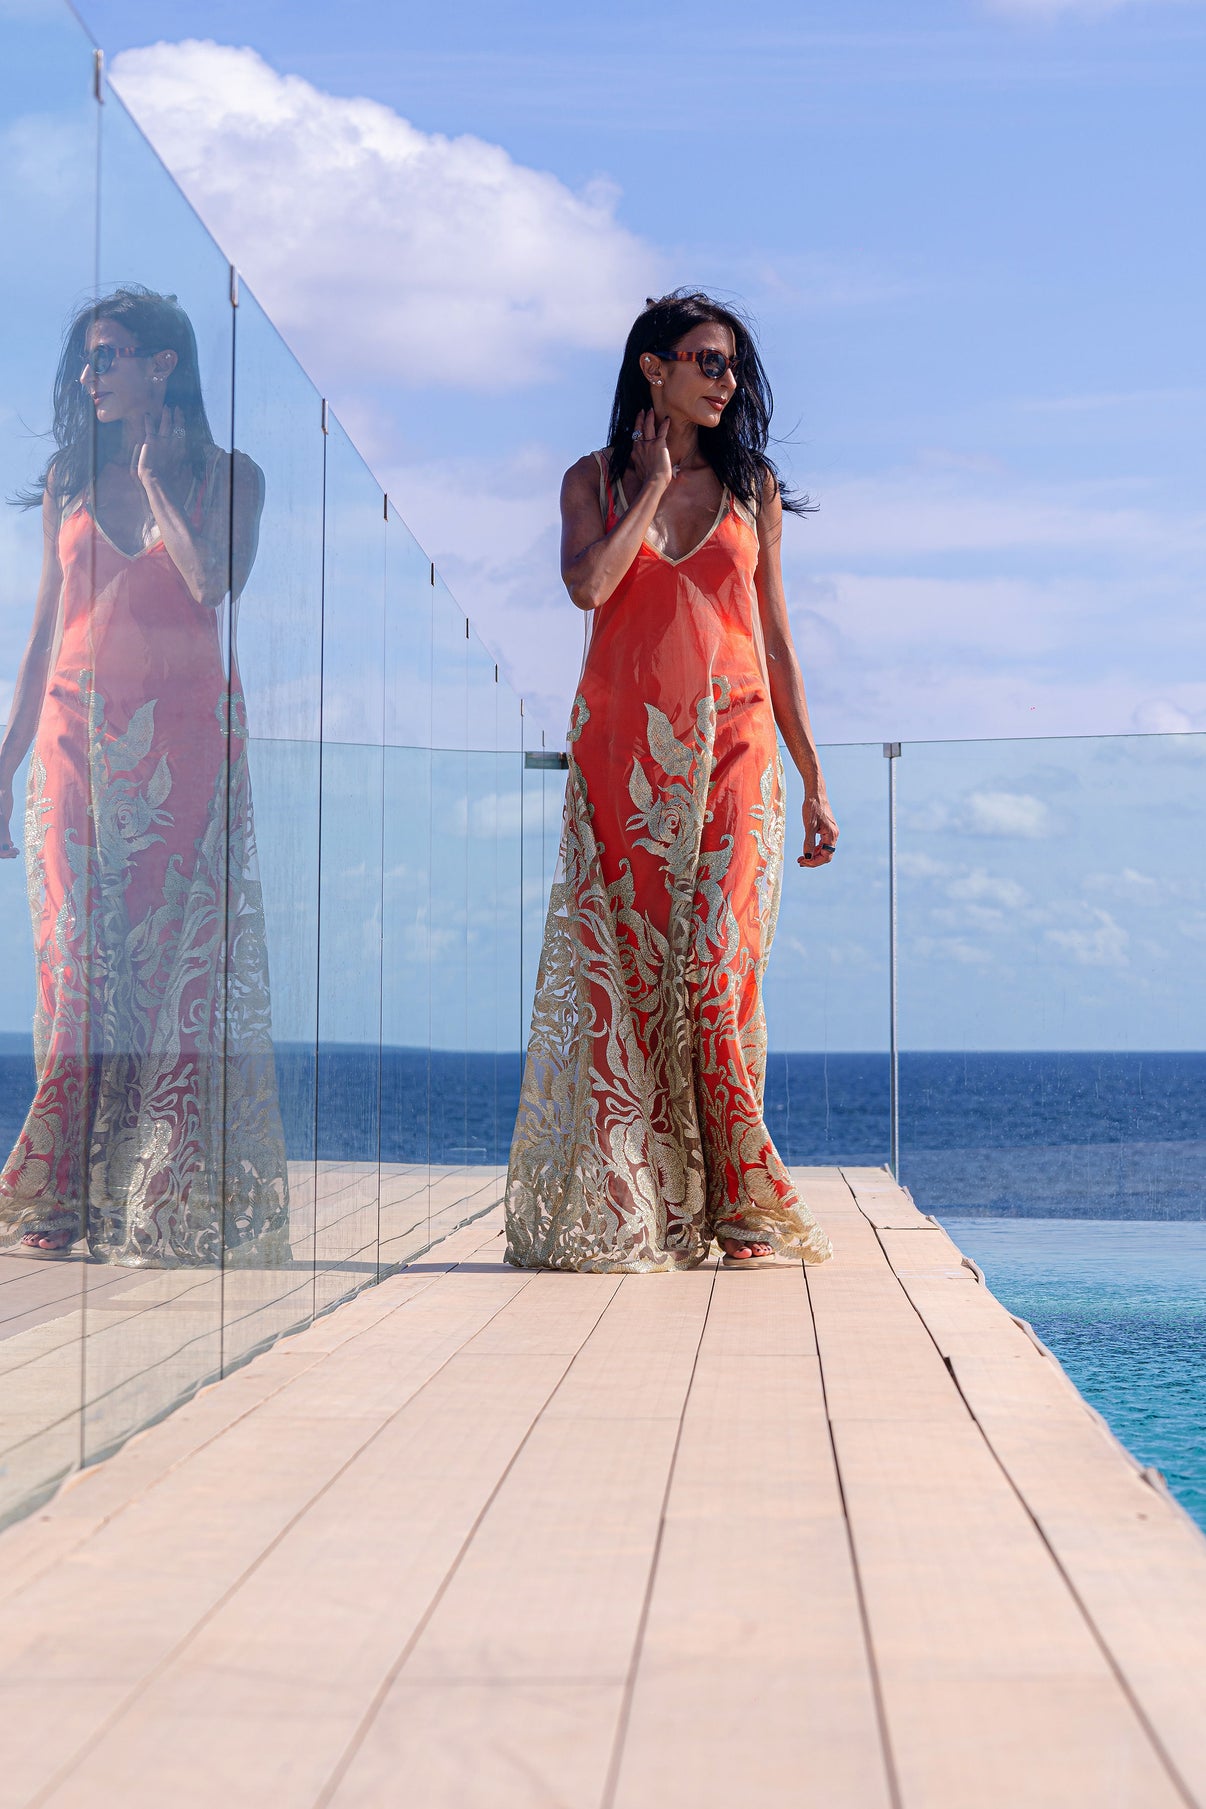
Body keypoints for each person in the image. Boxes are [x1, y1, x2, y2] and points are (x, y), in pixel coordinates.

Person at [505, 290, 837, 1273]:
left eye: (730, 364)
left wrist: (813, 780)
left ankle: (740, 1208)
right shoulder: (591, 479)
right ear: (653, 369)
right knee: (636, 983)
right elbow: (590, 587)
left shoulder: (753, 490)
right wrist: (647, 487)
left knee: (716, 976)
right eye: (705, 361)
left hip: (736, 751)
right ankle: (650, 1202)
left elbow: (775, 641)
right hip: (624, 760)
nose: (725, 380)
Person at [0, 287, 290, 1265]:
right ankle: (57, 1191)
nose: (92, 376)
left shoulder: (232, 476)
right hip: (75, 746)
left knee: (169, 977)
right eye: (88, 360)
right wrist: (3, 771)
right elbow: (42, 637)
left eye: (111, 355)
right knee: (79, 976)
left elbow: (214, 584)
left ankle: (148, 1195)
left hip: (187, 753)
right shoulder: (65, 481)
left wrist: (160, 479)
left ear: (164, 364)